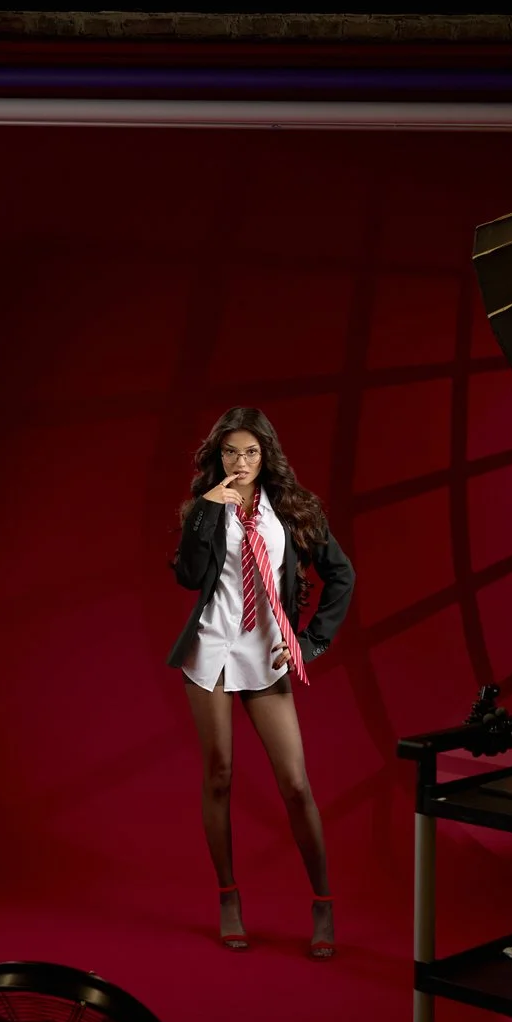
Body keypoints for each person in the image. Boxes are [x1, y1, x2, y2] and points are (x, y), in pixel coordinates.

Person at [168, 407, 355, 958]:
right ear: (217, 456)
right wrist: (206, 511)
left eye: (251, 452)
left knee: (295, 785)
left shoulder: (293, 511)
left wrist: (310, 642)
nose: (241, 462)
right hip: (210, 652)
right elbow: (187, 577)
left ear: (266, 454)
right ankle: (229, 898)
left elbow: (340, 574)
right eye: (231, 452)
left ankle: (322, 902)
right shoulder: (206, 507)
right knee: (219, 774)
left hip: (266, 657)